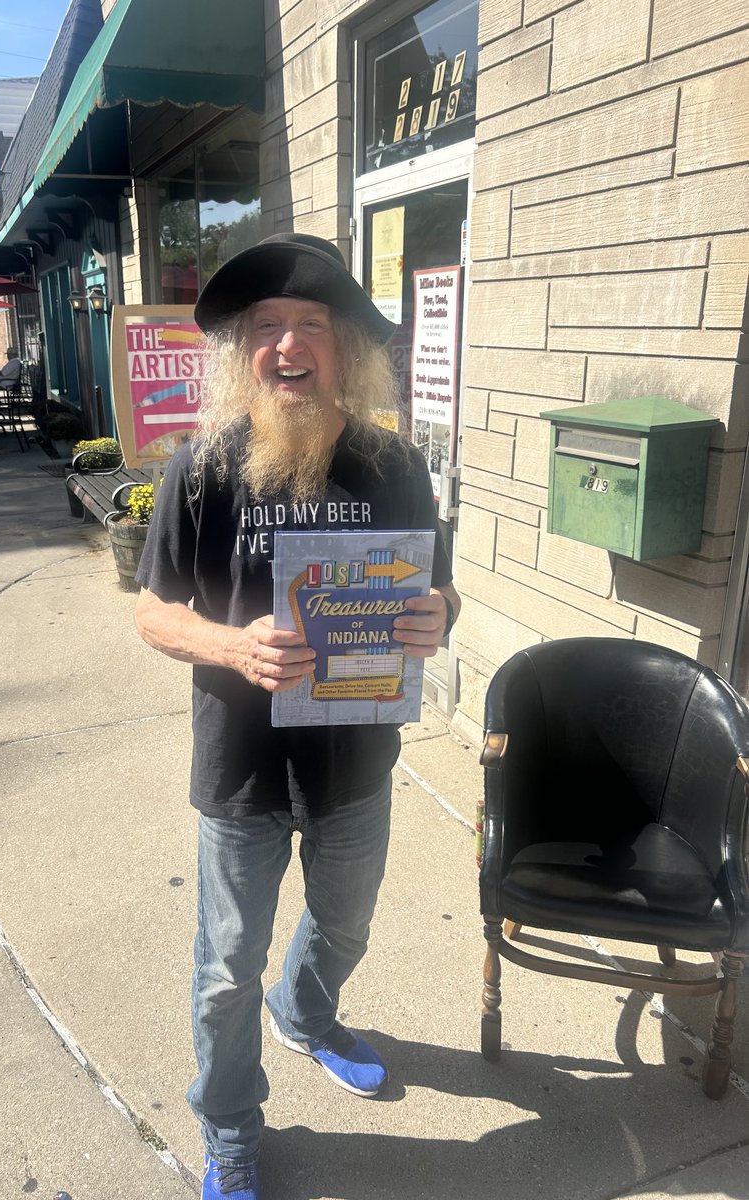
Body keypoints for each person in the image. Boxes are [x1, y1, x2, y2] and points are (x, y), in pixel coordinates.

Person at [134, 232, 460, 1200]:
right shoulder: (201, 471)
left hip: (357, 766)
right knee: (225, 969)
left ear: (344, 346)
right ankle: (231, 1122)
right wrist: (235, 646)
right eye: (266, 327)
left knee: (346, 926)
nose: (287, 346)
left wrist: (439, 616)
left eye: (309, 325)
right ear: (243, 353)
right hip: (240, 771)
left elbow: (440, 593)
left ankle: (307, 1011)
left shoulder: (392, 464)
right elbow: (152, 613)